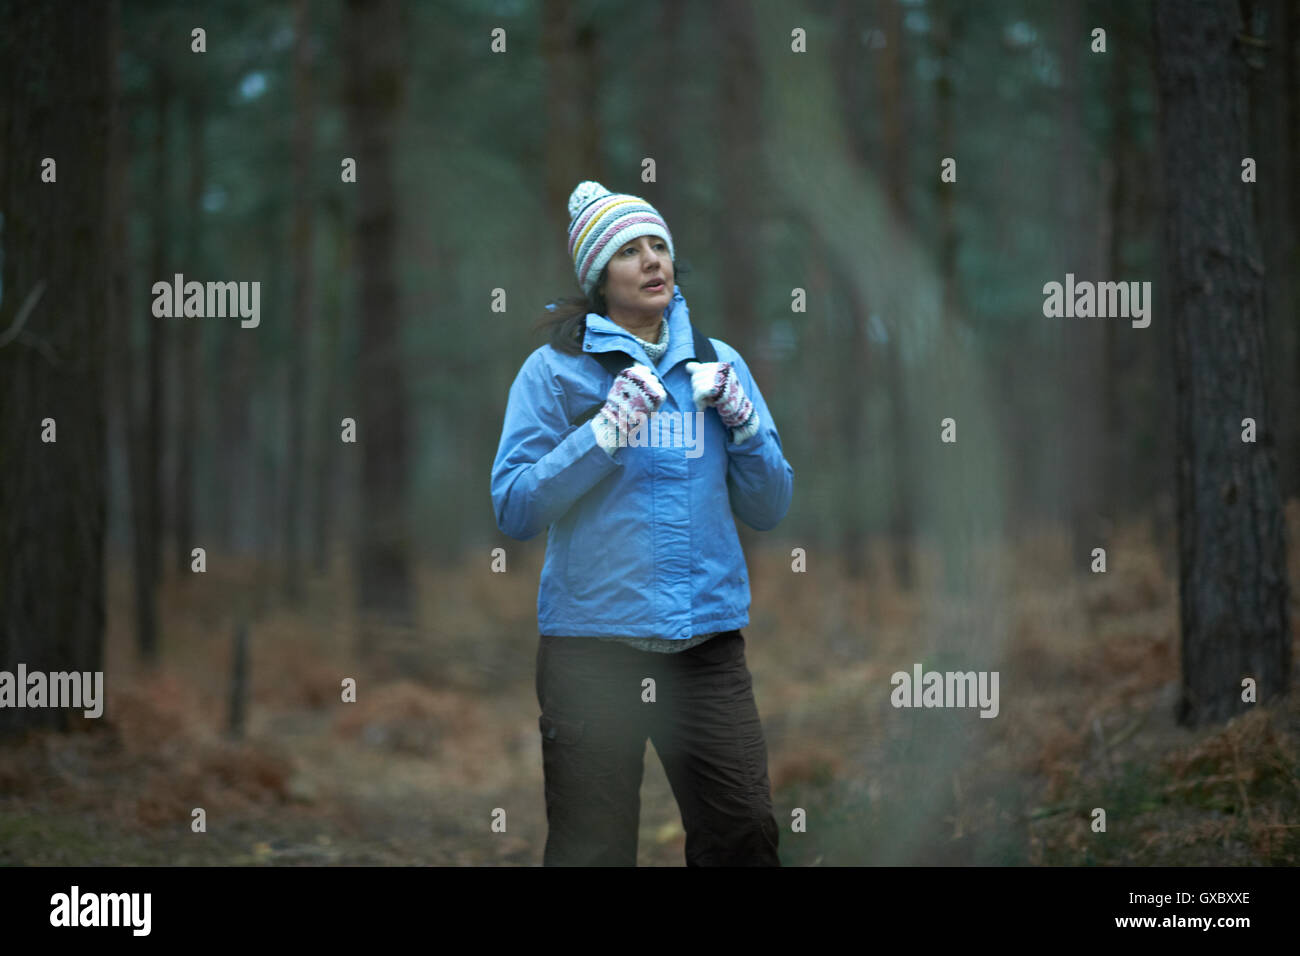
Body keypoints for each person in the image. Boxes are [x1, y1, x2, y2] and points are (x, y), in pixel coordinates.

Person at [490, 180, 794, 866]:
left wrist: (745, 426)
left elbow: (770, 506)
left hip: (706, 647)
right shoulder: (555, 374)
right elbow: (514, 507)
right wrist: (602, 434)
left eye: (659, 245)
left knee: (744, 834)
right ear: (599, 277)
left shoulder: (719, 366)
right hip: (590, 651)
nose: (654, 260)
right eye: (630, 250)